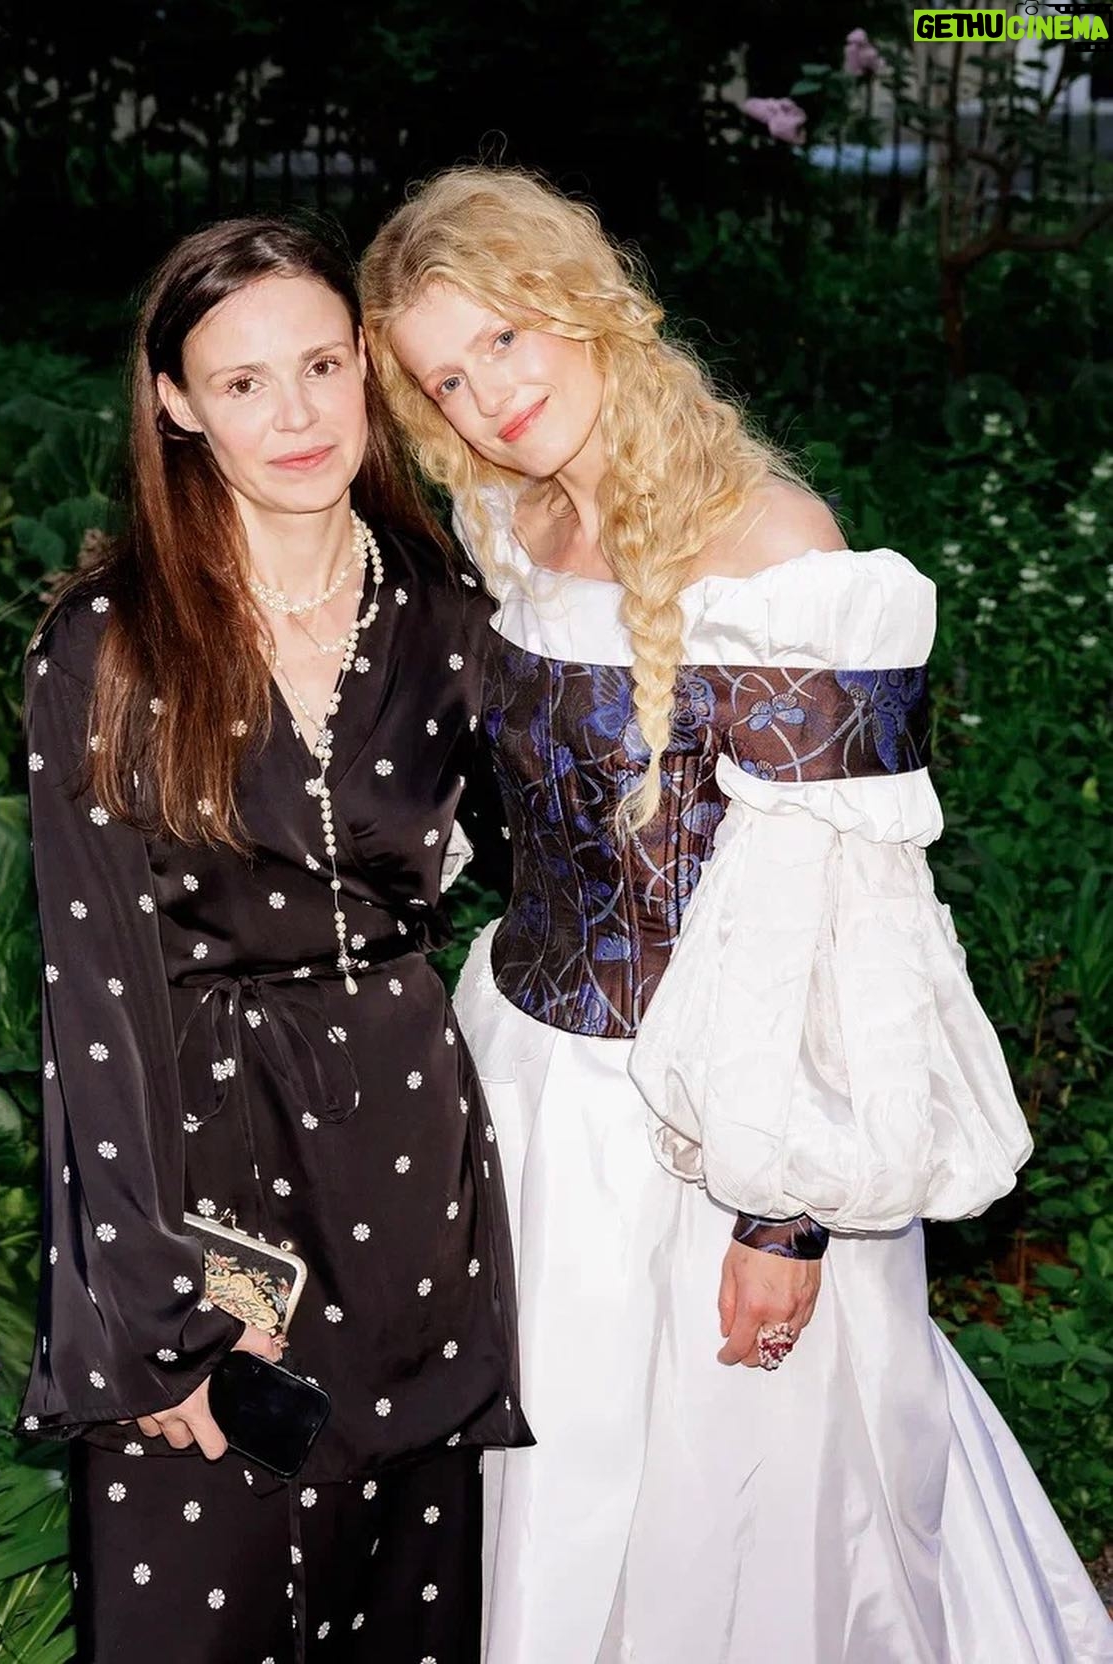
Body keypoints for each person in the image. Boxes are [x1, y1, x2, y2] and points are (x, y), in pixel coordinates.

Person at [360, 166, 1113, 1664]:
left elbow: (846, 921)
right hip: (530, 1095)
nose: (491, 396)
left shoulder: (778, 552)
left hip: (721, 1131)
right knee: (551, 1481)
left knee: (737, 1511)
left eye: (504, 336)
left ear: (585, 304)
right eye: (447, 377)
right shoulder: (507, 522)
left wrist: (787, 1217)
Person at [17, 214, 531, 1663]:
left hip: (413, 1164)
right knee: (200, 1605)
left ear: (368, 365)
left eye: (319, 365)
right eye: (241, 382)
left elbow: (567, 883)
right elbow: (90, 1004)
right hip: (210, 1174)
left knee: (407, 1610)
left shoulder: (450, 616)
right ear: (176, 404)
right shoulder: (108, 644)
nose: (295, 415)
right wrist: (155, 1314)